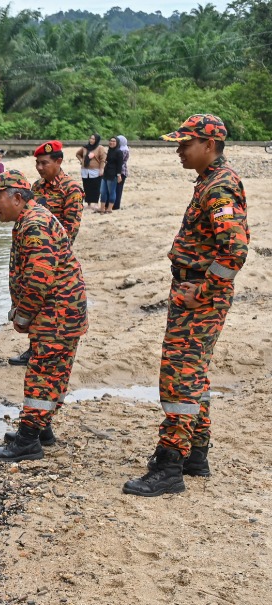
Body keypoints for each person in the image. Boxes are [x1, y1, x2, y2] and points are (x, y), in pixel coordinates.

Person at [123, 114, 249, 497]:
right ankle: (196, 453)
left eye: (184, 144)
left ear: (209, 145)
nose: (178, 150)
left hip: (198, 297)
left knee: (179, 378)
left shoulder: (220, 186)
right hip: (192, 292)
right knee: (195, 375)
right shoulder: (210, 181)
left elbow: (235, 250)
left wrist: (204, 291)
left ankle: (170, 466)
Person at [0, 170, 87, 461]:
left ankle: (28, 440)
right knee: (53, 371)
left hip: (57, 312)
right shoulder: (31, 219)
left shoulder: (35, 223)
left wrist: (23, 316)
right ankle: (41, 429)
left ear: (16, 197)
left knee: (43, 373)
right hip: (61, 311)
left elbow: (40, 277)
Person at [7, 140, 87, 368]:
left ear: (58, 161)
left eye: (44, 163)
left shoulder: (71, 190)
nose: (40, 168)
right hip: (34, 253)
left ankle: (44, 350)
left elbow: (71, 229)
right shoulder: (37, 188)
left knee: (48, 302)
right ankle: (34, 347)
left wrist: (50, 253)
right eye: (37, 163)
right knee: (36, 303)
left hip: (53, 257)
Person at [74, 133, 106, 207]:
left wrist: (101, 169)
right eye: (91, 138)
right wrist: (81, 160)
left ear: (97, 140)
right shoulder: (85, 148)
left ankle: (95, 202)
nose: (91, 140)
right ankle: (88, 202)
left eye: (93, 139)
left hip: (95, 170)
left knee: (95, 186)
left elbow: (102, 159)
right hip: (85, 170)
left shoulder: (100, 148)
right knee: (87, 186)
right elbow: (78, 154)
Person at [96, 136, 124, 213]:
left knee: (111, 191)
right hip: (106, 173)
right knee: (103, 191)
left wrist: (119, 175)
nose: (111, 142)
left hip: (113, 175)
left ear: (117, 143)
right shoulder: (109, 151)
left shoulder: (119, 152)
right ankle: (102, 208)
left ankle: (109, 208)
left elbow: (119, 165)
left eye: (114, 141)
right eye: (110, 141)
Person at [113, 135, 130, 210]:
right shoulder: (125, 149)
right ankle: (115, 205)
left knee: (117, 189)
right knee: (117, 189)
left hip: (120, 172)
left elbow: (118, 162)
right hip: (122, 171)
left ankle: (116, 205)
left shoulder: (122, 151)